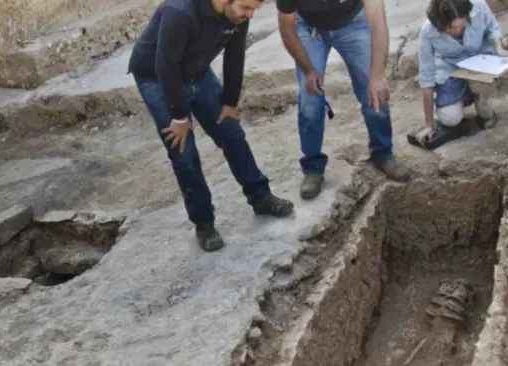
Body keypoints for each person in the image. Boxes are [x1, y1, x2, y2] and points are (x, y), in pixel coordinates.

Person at [128, 0, 295, 252]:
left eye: (253, 9)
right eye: (246, 7)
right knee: (183, 153)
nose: (249, 15)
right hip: (157, 77)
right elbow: (166, 66)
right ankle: (204, 223)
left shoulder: (238, 15)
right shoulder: (180, 11)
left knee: (232, 132)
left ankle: (260, 197)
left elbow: (235, 55)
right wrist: (180, 117)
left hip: (198, 71)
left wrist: (230, 102)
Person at [276, 0, 410, 200]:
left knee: (374, 91)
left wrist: (377, 75)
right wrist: (308, 70)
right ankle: (313, 167)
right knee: (310, 102)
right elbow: (286, 26)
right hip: (309, 28)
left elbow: (378, 23)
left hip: (353, 23)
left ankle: (383, 153)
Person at [416, 0, 508, 144]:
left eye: (462, 26)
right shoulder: (428, 31)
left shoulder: (478, 6)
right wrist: (428, 125)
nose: (457, 31)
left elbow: (492, 28)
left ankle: (481, 101)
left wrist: (498, 48)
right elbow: (426, 78)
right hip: (449, 69)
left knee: (485, 111)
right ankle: (457, 99)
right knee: (450, 119)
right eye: (451, 28)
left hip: (481, 62)